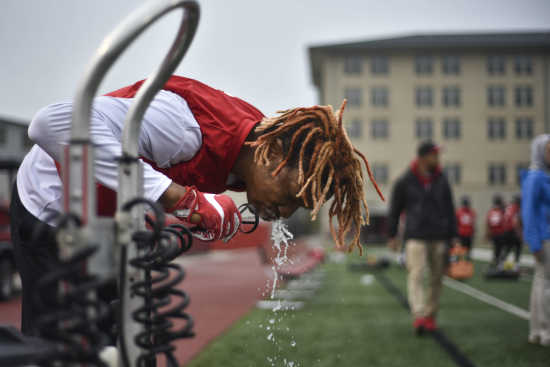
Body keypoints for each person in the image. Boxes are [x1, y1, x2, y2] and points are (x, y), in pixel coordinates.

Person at [10, 75, 385, 336]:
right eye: (291, 197)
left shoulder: (251, 148)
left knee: (130, 343)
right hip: (51, 207)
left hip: (104, 218)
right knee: (62, 350)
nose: (286, 212)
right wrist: (181, 198)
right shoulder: (182, 127)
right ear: (273, 156)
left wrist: (190, 202)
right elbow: (49, 125)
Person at [387, 141, 457, 335]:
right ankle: (419, 315)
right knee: (416, 274)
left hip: (439, 235)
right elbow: (395, 209)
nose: (438, 158)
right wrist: (392, 235)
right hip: (415, 236)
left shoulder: (442, 179)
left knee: (436, 278)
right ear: (424, 157)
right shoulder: (405, 180)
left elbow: (450, 208)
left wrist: (454, 235)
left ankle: (430, 315)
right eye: (435, 154)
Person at [521, 134, 550, 347]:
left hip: (545, 235)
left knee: (541, 282)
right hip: (544, 236)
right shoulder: (536, 177)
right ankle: (545, 329)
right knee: (545, 283)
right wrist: (534, 242)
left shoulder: (543, 176)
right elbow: (528, 212)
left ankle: (537, 330)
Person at [486, 195, 507, 268]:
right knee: (500, 249)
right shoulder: (502, 210)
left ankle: (496, 261)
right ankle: (499, 263)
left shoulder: (491, 211)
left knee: (496, 249)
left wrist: (488, 234)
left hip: (494, 233)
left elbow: (488, 223)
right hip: (500, 233)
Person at [502, 196, 522, 270]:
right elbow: (515, 222)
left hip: (505, 230)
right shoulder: (516, 208)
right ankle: (516, 265)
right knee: (517, 247)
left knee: (507, 248)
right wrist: (519, 233)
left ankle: (502, 264)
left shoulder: (509, 207)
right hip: (512, 231)